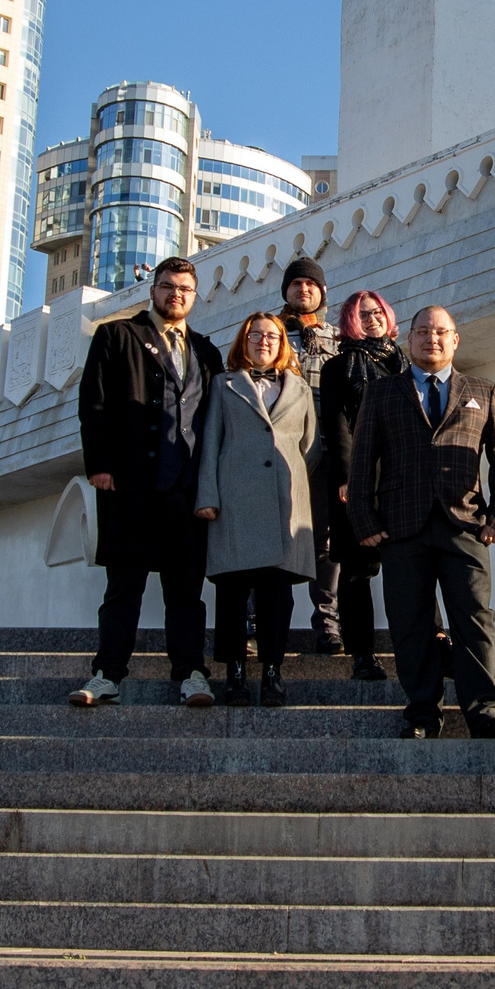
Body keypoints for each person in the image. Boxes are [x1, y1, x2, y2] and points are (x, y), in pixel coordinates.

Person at [344, 305, 495, 739]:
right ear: (410, 340)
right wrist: (364, 519)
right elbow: (362, 461)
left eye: (441, 332)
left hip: (465, 526)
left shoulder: (485, 390)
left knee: (474, 619)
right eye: (423, 331)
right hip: (401, 527)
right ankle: (423, 713)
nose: (432, 339)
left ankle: (485, 713)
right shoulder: (383, 393)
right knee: (410, 623)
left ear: (455, 340)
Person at [69, 256, 226, 708]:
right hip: (131, 487)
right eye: (167, 286)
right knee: (124, 586)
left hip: (187, 490)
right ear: (152, 290)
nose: (175, 294)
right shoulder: (118, 336)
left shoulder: (207, 351)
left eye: (184, 289)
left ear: (195, 297)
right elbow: (93, 403)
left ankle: (192, 673)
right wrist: (99, 463)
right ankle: (107, 674)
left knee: (186, 591)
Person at [195, 311, 319, 708]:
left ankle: (271, 673)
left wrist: (295, 482)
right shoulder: (223, 384)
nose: (263, 342)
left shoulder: (299, 388)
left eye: (272, 336)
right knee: (232, 592)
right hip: (234, 500)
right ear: (243, 341)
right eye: (255, 335)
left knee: (276, 595)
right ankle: (234, 674)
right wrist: (208, 496)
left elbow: (312, 446)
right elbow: (210, 442)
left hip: (285, 503)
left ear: (283, 343)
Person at [317, 291, 402, 682]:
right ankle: (363, 655)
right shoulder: (339, 368)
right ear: (349, 320)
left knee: (412, 564)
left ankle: (429, 643)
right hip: (357, 480)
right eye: (362, 314)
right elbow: (337, 429)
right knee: (357, 570)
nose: (372, 319)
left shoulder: (405, 364)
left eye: (378, 312)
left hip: (403, 478)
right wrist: (352, 478)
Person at [276, 256, 344, 654]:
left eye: (311, 284)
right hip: (280, 451)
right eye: (296, 284)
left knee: (326, 541)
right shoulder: (267, 334)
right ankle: (257, 620)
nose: (304, 289)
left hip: (327, 451)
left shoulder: (339, 338)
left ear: (322, 292)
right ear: (285, 290)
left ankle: (327, 622)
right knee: (272, 534)